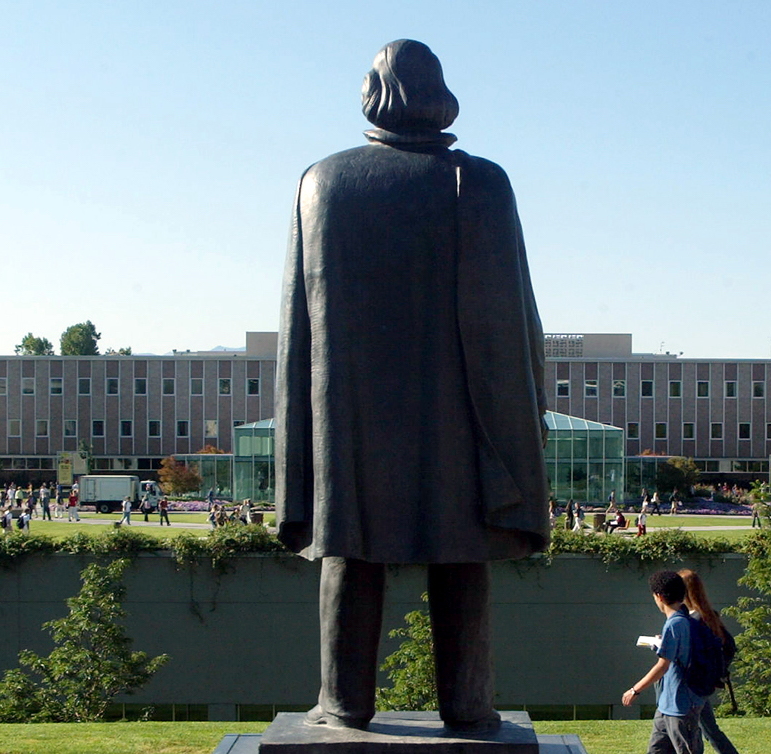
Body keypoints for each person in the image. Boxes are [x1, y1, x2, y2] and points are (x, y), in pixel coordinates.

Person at [275, 39, 548, 733]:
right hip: (458, 413)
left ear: (373, 91)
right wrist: (522, 425)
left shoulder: (322, 180)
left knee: (350, 550)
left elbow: (297, 330)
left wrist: (301, 445)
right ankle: (466, 702)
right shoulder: (481, 182)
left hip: (351, 419)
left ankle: (343, 703)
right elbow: (511, 321)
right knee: (460, 553)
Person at [622, 571, 701, 754]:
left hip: (681, 705)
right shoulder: (684, 621)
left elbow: (663, 665)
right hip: (666, 705)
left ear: (659, 596)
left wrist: (635, 690)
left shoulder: (676, 624)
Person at [679, 569, 739, 754]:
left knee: (697, 729)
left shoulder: (695, 619)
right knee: (707, 728)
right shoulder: (707, 614)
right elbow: (729, 646)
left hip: (694, 682)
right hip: (703, 681)